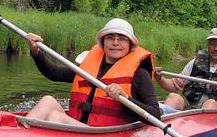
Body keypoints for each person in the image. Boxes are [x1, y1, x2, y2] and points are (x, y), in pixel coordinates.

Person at [25, 18, 161, 126]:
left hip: (103, 135)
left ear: (130, 44)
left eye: (122, 38)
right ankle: (21, 136)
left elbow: (155, 115)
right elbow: (53, 73)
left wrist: (125, 99)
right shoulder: (87, 66)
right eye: (110, 37)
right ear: (103, 42)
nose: (115, 43)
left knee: (54, 117)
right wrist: (36, 53)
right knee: (48, 100)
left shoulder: (140, 74)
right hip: (78, 125)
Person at [155, 28, 217, 111]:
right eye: (212, 44)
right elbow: (173, 86)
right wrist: (160, 79)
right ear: (208, 44)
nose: (216, 48)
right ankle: (160, 125)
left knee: (210, 103)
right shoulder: (196, 62)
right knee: (173, 96)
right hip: (190, 105)